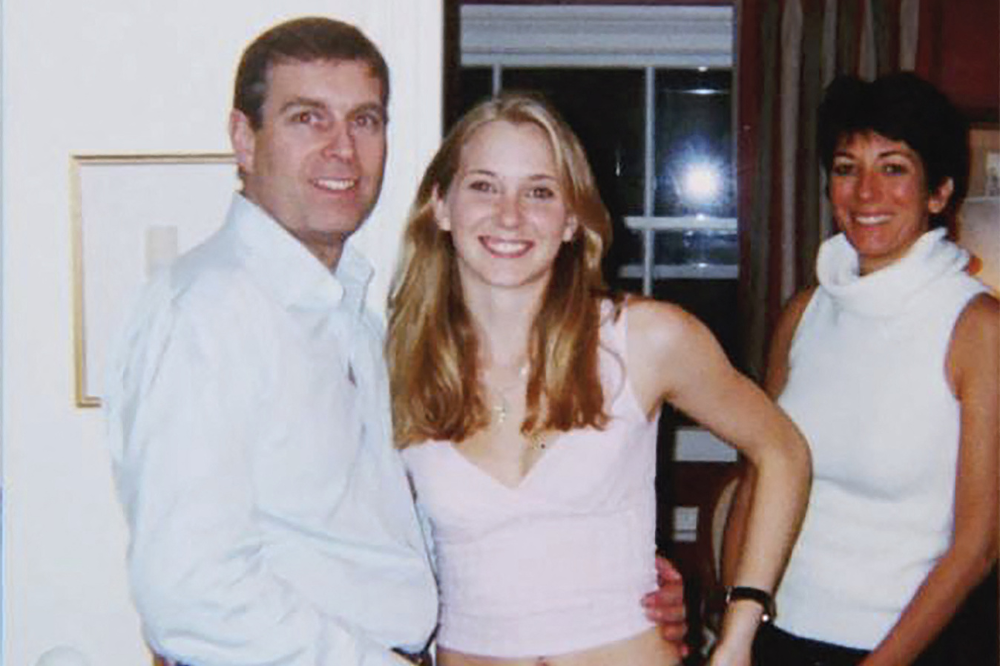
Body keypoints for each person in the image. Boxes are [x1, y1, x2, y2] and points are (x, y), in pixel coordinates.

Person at [105, 17, 687, 666]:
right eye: (307, 119)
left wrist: (589, 574)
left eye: (365, 121)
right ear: (245, 138)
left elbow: (382, 536)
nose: (342, 150)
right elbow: (189, 592)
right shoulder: (207, 312)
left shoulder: (359, 319)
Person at [385, 92, 811, 666]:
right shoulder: (393, 363)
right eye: (484, 186)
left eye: (539, 191)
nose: (509, 215)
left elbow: (782, 450)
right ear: (440, 206)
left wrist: (739, 631)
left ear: (571, 220)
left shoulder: (644, 340)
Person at [722, 72, 999, 666]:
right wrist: (735, 626)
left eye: (893, 168)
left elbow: (978, 546)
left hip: (907, 648)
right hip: (778, 636)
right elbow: (756, 482)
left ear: (939, 192)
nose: (865, 192)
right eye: (847, 168)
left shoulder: (978, 329)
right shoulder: (805, 312)